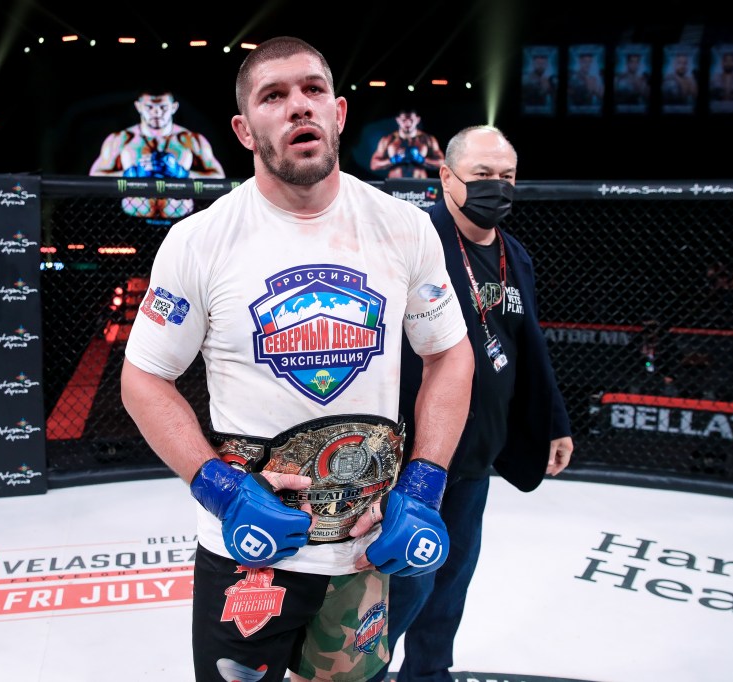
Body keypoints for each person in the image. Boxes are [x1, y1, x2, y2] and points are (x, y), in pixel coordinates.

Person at [119, 36, 474, 682]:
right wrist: (218, 487)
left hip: (363, 550)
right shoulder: (199, 241)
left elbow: (450, 354)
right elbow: (143, 377)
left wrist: (424, 486)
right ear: (243, 130)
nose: (298, 106)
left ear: (339, 112)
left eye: (313, 89)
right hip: (246, 553)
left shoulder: (404, 227)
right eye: (274, 96)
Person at [368, 125, 574, 682]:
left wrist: (555, 422)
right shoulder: (414, 244)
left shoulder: (515, 255)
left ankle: (429, 674)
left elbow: (527, 344)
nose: (496, 186)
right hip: (416, 453)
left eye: (507, 176)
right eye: (482, 174)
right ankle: (361, 674)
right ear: (446, 177)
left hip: (478, 450)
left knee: (452, 581)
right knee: (405, 584)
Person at [89, 89, 226, 220]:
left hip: (181, 220)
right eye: (149, 107)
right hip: (132, 221)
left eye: (163, 107)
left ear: (174, 107)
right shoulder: (121, 139)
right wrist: (131, 174)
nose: (156, 112)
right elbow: (94, 177)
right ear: (138, 107)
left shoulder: (192, 139)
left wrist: (182, 173)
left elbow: (219, 177)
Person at [369, 108, 445, 178]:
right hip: (395, 185)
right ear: (397, 120)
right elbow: (374, 165)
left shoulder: (428, 139)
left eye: (411, 120)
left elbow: (442, 163)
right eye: (404, 120)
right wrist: (393, 160)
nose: (408, 123)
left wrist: (421, 159)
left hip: (420, 184)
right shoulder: (388, 140)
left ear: (418, 120)